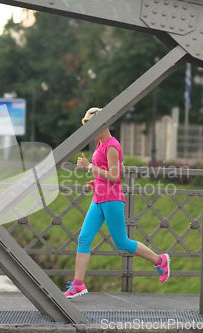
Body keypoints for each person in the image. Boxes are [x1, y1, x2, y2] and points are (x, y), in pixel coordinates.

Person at [63, 107, 170, 299]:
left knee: (122, 242)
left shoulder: (112, 146)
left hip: (112, 200)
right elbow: (105, 173)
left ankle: (159, 260)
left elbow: (115, 177)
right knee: (84, 239)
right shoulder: (100, 145)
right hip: (99, 199)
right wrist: (95, 182)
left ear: (103, 124)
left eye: (91, 125)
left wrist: (89, 166)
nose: (89, 130)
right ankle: (78, 285)